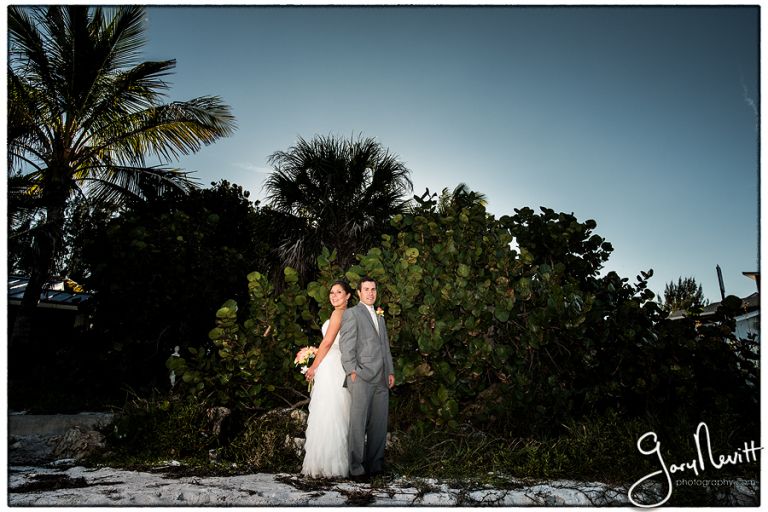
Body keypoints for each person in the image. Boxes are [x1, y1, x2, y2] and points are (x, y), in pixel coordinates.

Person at [339, 276, 395, 480]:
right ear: (359, 293)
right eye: (366, 289)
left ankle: (375, 466)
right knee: (358, 423)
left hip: (381, 377)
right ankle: (356, 468)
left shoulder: (380, 316)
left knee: (379, 424)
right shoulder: (352, 314)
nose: (371, 293)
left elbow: (384, 347)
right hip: (361, 376)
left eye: (373, 289)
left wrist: (390, 371)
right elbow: (346, 346)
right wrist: (352, 370)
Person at [301, 280, 354, 478]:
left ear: (348, 296)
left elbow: (328, 342)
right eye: (332, 292)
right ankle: (337, 464)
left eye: (339, 292)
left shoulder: (338, 313)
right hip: (339, 363)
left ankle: (327, 465)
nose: (334, 295)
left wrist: (313, 366)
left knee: (328, 413)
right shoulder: (350, 314)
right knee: (338, 413)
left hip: (331, 365)